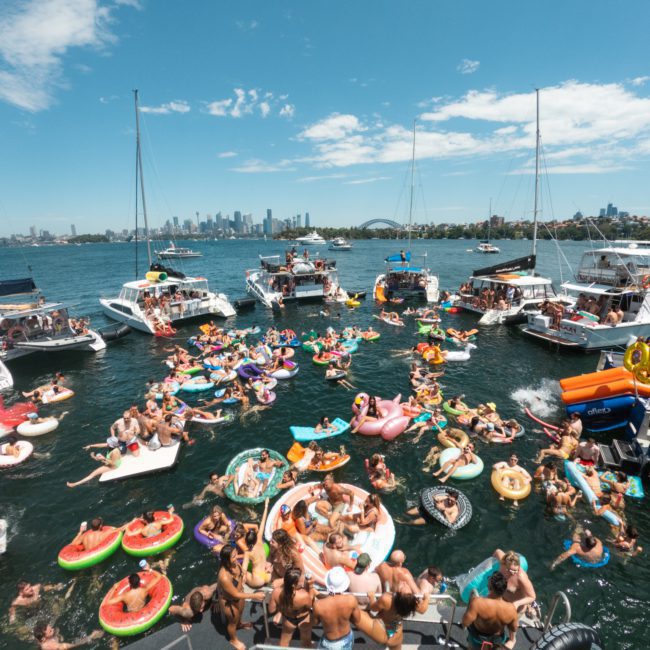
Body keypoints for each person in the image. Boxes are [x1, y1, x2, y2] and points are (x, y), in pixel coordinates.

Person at [216, 545, 266, 650]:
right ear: (226, 560)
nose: (237, 557)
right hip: (230, 602)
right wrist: (255, 595)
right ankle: (233, 640)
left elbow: (241, 571)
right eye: (234, 556)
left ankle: (240, 624)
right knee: (232, 622)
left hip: (240, 595)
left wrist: (242, 576)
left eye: (236, 554)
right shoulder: (224, 576)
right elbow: (235, 594)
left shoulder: (235, 563)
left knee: (240, 614)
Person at [461, 572, 518, 649]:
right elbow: (514, 629)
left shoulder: (477, 603)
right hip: (497, 642)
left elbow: (465, 622)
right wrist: (512, 641)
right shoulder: (511, 609)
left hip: (478, 640)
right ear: (504, 589)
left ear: (489, 587)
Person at [359, 589, 430, 647]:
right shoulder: (410, 602)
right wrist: (427, 598)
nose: (404, 582)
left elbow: (373, 608)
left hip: (382, 628)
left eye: (404, 586)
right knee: (395, 646)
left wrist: (371, 597)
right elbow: (422, 610)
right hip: (396, 632)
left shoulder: (387, 599)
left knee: (356, 613)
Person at [312, 567, 360, 650]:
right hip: (346, 638)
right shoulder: (351, 600)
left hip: (330, 642)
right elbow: (357, 620)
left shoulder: (318, 605)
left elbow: (315, 623)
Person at [268, 567, 316, 647]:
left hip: (288, 619)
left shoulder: (276, 592)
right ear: (294, 585)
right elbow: (311, 605)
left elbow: (271, 610)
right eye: (301, 579)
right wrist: (311, 586)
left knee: (284, 642)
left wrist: (281, 609)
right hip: (304, 619)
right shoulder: (303, 595)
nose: (303, 579)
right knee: (306, 642)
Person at [493, 549, 536, 614]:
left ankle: (528, 607)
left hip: (515, 609)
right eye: (511, 570)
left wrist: (517, 603)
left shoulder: (521, 577)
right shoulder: (502, 563)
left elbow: (532, 597)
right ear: (505, 565)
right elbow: (497, 551)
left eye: (516, 570)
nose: (514, 573)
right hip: (501, 601)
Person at [243, 499, 273, 587]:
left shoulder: (247, 552)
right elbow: (263, 522)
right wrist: (266, 505)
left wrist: (242, 577)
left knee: (240, 570)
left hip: (257, 580)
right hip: (267, 576)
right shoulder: (259, 539)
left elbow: (244, 570)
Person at [32, 622, 103, 650]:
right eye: (50, 631)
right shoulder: (54, 646)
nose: (53, 629)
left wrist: (58, 635)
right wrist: (91, 636)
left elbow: (56, 630)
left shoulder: (40, 640)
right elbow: (74, 645)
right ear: (44, 639)